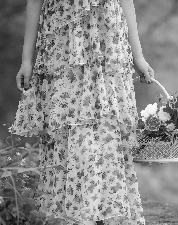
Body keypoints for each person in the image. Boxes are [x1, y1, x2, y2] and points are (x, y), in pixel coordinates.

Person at [9, 0, 154, 224]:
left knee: (106, 128)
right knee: (65, 129)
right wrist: (26, 60)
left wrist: (139, 56)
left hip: (106, 40)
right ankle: (72, 217)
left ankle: (106, 215)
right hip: (61, 41)